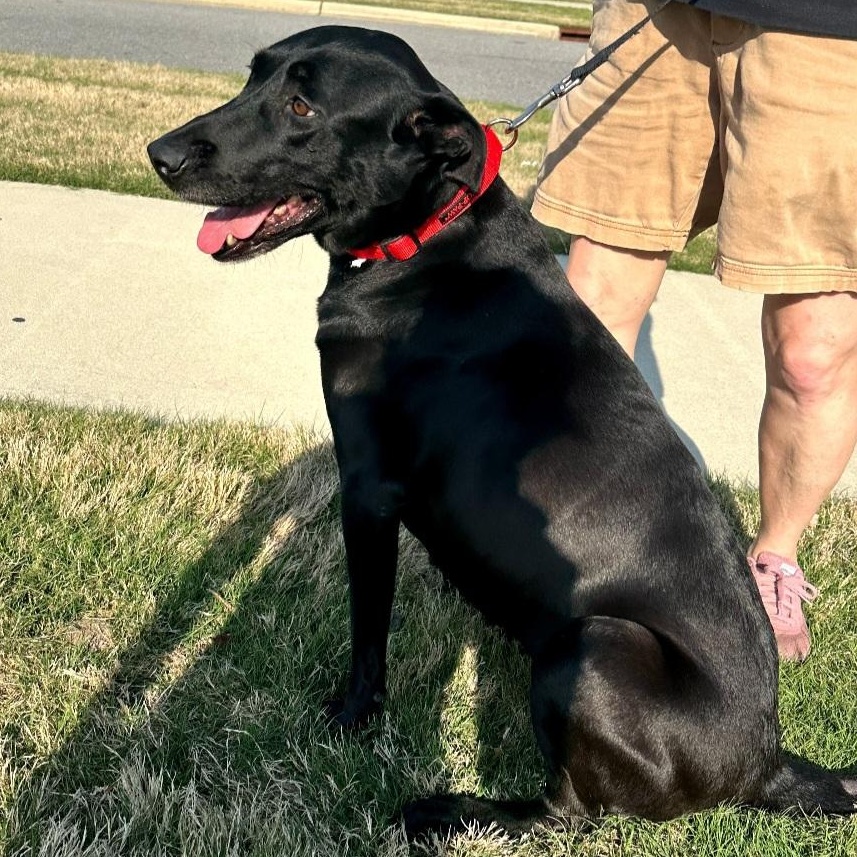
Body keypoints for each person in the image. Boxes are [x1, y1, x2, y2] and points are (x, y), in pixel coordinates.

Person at [532, 0, 857, 661]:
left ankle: (774, 559)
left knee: (811, 354)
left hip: (829, 29)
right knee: (588, 311)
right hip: (655, 13)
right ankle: (578, 542)